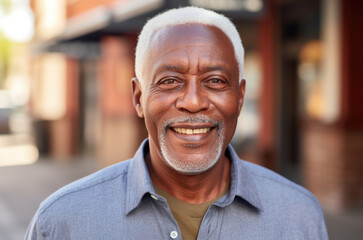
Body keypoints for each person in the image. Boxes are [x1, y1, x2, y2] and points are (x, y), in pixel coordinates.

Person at [26, 6, 328, 240]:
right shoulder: (63, 221)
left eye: (215, 80)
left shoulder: (298, 216)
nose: (193, 102)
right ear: (138, 98)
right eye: (170, 81)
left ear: (239, 97)